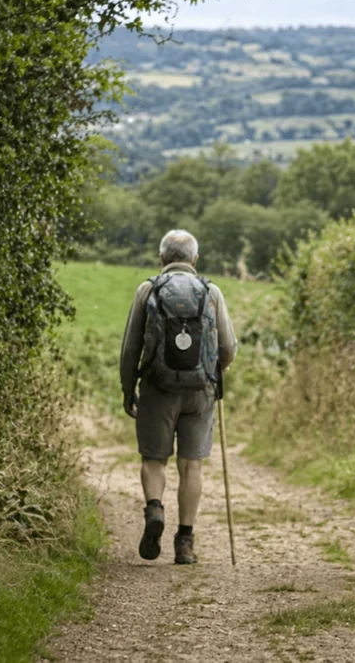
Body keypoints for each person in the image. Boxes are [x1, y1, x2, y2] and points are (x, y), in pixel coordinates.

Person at [120, 230, 237, 564]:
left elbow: (131, 348)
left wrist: (129, 388)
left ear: (162, 258)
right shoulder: (211, 291)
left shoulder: (148, 289)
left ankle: (155, 509)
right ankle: (185, 543)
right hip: (200, 392)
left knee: (154, 459)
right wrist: (218, 370)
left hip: (158, 388)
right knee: (191, 464)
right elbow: (227, 347)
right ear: (195, 260)